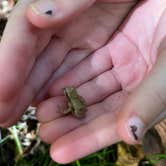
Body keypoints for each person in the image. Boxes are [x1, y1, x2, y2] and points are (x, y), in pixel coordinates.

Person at [0, 0, 165, 164]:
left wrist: (65, 109)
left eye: (67, 92)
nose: (66, 92)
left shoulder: (72, 99)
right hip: (79, 105)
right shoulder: (73, 96)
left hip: (79, 109)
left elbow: (70, 107)